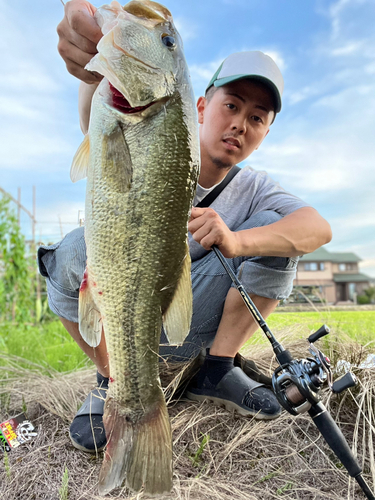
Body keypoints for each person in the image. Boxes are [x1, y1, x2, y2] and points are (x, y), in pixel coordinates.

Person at [40, 0, 332, 453]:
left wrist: (237, 239)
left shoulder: (255, 187)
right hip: (126, 322)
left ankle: (217, 370)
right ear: (199, 104)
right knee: (73, 249)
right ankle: (112, 380)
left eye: (257, 118)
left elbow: (318, 228)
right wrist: (94, 71)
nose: (239, 123)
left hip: (195, 329)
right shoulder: (141, 123)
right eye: (231, 104)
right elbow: (98, 116)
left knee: (280, 228)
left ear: (266, 132)